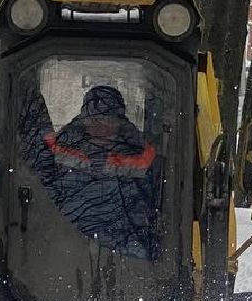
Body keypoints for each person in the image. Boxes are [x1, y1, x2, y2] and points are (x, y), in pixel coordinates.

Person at [18, 83, 161, 261]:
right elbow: (46, 201)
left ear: (119, 121)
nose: (100, 126)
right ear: (84, 119)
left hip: (126, 253)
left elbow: (146, 209)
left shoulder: (144, 158)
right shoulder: (56, 154)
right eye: (94, 119)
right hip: (68, 246)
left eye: (107, 119)